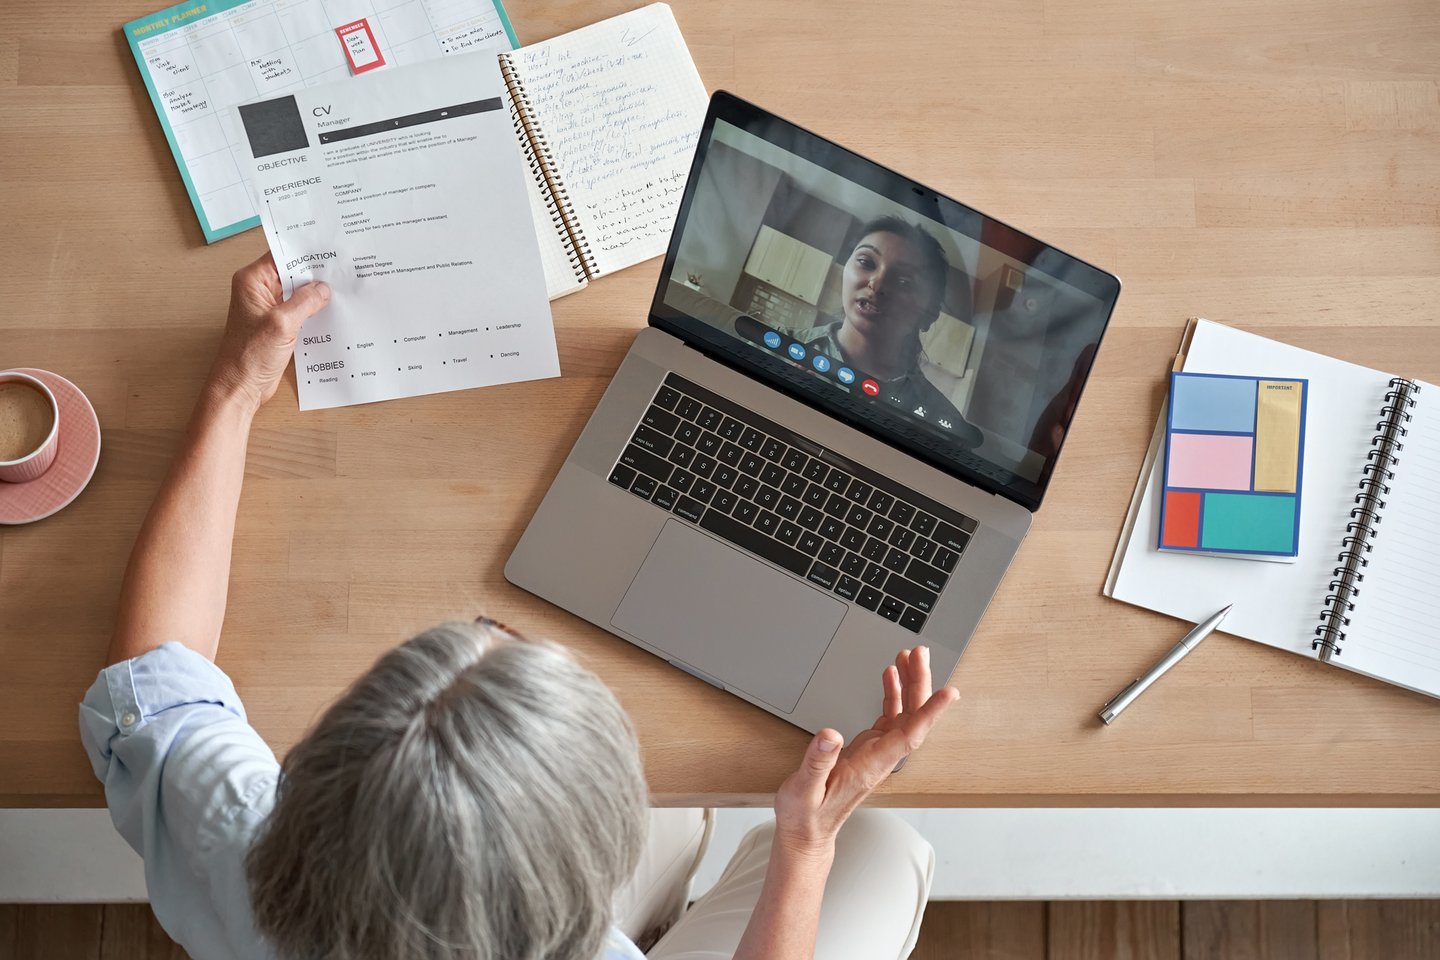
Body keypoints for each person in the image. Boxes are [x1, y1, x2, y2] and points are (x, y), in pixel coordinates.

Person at [80, 252, 960, 960]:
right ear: (579, 890)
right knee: (875, 853)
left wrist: (235, 390)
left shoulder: (244, 846)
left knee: (682, 816)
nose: (501, 626)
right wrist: (805, 843)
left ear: (316, 789)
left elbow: (153, 678)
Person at [780, 216, 981, 445]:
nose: (877, 283)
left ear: (929, 314)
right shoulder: (779, 345)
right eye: (866, 262)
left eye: (905, 281)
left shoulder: (943, 423)